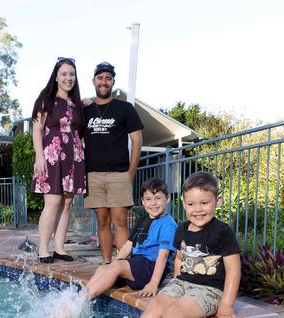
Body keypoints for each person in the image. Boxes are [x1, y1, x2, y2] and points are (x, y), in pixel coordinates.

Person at [125, 171, 241, 318]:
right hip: (183, 283)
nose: (198, 209)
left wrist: (226, 305)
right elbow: (179, 257)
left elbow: (233, 270)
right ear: (183, 203)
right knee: (155, 304)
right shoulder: (182, 228)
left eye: (204, 203)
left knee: (173, 313)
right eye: (191, 204)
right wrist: (176, 285)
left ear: (217, 201)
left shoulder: (222, 231)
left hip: (209, 290)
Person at [83, 61, 143, 264]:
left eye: (108, 78)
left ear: (112, 82)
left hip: (119, 174)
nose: (104, 82)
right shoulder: (86, 111)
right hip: (93, 175)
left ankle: (122, 265)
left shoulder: (124, 108)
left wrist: (130, 173)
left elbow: (137, 140)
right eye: (100, 78)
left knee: (120, 221)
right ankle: (107, 264)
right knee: (102, 221)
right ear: (94, 81)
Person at [83, 177, 176, 300]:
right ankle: (82, 295)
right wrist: (114, 264)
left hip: (151, 268)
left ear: (167, 199)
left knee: (117, 266)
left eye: (158, 198)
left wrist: (153, 283)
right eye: (148, 199)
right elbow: (128, 245)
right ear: (143, 201)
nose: (153, 203)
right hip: (137, 264)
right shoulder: (141, 220)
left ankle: (84, 299)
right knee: (103, 268)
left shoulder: (168, 224)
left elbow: (163, 256)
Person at [32, 57, 86, 264]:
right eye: (64, 74)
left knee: (67, 203)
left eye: (72, 74)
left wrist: (85, 104)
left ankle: (60, 248)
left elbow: (78, 129)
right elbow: (37, 129)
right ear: (56, 76)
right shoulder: (46, 99)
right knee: (53, 201)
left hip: (74, 157)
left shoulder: (76, 104)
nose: (68, 78)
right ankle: (43, 249)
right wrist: (39, 156)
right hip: (52, 155)